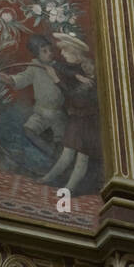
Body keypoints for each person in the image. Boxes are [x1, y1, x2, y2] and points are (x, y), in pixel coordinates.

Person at [39, 34, 100, 192]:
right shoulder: (72, 68)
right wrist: (74, 75)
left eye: (66, 51)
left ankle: (70, 188)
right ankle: (48, 178)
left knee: (82, 157)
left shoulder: (90, 73)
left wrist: (57, 81)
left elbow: (77, 98)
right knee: (67, 152)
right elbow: (59, 66)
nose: (63, 54)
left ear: (75, 53)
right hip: (76, 117)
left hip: (87, 119)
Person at [0, 33, 67, 162]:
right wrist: (11, 80)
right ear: (36, 54)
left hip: (58, 112)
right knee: (28, 130)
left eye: (50, 50)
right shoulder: (34, 68)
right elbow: (24, 78)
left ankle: (60, 159)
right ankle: (51, 152)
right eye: (44, 51)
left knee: (60, 138)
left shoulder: (58, 66)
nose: (49, 53)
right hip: (41, 112)